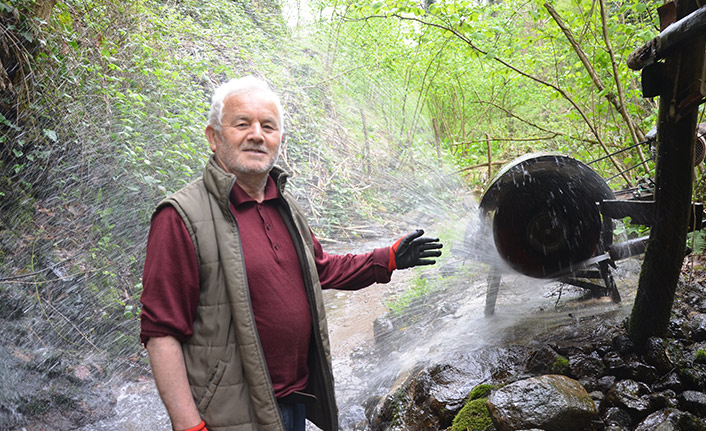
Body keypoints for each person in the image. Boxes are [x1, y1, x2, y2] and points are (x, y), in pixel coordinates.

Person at [139, 76, 443, 431]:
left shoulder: (284, 205)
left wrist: (388, 258)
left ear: (280, 140)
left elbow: (321, 270)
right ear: (213, 137)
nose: (256, 134)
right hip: (230, 415)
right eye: (242, 124)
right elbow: (161, 333)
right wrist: (189, 426)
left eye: (268, 126)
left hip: (292, 403)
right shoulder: (180, 216)